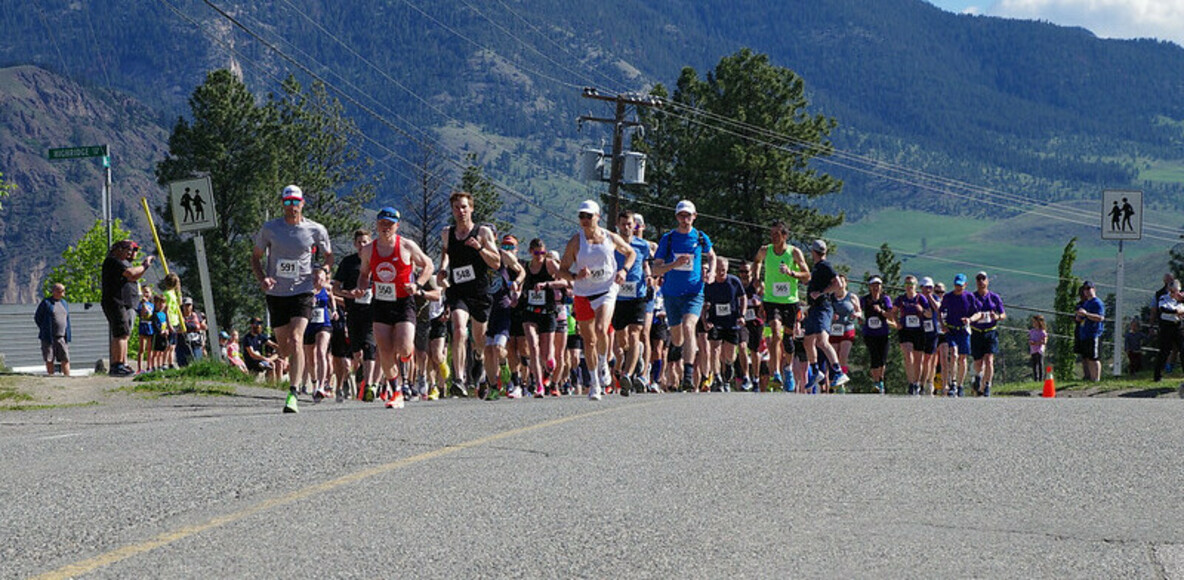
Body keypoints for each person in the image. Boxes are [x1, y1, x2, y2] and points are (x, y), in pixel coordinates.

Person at [251, 184, 333, 413]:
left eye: (295, 202)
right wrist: (263, 279)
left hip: (303, 291)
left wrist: (323, 271)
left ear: (302, 203)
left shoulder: (315, 230)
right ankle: (290, 371)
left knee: (297, 339)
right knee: (285, 347)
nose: (291, 206)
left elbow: (329, 256)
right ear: (282, 204)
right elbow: (255, 258)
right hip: (277, 293)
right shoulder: (270, 229)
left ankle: (293, 392)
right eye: (287, 202)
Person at [356, 207, 435, 408]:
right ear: (377, 225)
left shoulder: (406, 246)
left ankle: (408, 359)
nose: (385, 228)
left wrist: (417, 284)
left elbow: (428, 265)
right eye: (382, 224)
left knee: (404, 347)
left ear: (397, 226)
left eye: (390, 225)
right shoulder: (368, 250)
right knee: (384, 350)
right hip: (381, 303)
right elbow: (364, 274)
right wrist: (360, 287)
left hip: (403, 302)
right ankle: (396, 391)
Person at [558, 200, 636, 400]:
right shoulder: (576, 242)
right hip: (583, 293)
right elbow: (562, 270)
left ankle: (603, 364)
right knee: (589, 341)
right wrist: (576, 276)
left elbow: (631, 253)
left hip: (607, 289)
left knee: (602, 329)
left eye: (588, 216)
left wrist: (624, 270)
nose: (584, 220)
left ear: (597, 217)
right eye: (581, 216)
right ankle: (594, 384)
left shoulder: (610, 237)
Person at [437, 192, 501, 397]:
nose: (460, 211)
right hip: (458, 291)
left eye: (464, 207)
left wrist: (480, 247)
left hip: (479, 292)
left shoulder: (482, 232)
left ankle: (479, 357)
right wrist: (443, 270)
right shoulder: (448, 232)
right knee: (458, 330)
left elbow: (496, 262)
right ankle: (458, 378)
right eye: (456, 207)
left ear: (471, 208)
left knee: (479, 339)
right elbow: (445, 254)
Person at [651, 200, 715, 392]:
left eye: (688, 216)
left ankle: (687, 375)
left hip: (694, 293)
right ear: (676, 217)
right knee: (677, 337)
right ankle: (676, 356)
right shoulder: (668, 239)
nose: (685, 219)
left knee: (689, 327)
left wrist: (711, 273)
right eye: (681, 216)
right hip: (671, 294)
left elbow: (712, 255)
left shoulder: (701, 237)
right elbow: (656, 268)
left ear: (694, 216)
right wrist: (674, 264)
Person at [751, 220, 809, 391]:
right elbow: (757, 260)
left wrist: (792, 272)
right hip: (771, 300)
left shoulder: (794, 252)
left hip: (790, 301)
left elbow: (807, 276)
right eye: (772, 234)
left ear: (785, 235)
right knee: (775, 332)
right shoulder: (765, 250)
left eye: (777, 234)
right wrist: (756, 277)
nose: (774, 237)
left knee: (788, 340)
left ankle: (788, 369)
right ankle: (775, 372)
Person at [332, 229, 380, 398]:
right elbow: (335, 288)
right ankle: (350, 377)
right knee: (356, 352)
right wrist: (348, 294)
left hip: (372, 312)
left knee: (369, 347)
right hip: (352, 311)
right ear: (354, 244)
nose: (362, 245)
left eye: (365, 242)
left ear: (371, 243)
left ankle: (369, 385)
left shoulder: (377, 261)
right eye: (359, 242)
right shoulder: (348, 262)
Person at [612, 210, 653, 394]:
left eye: (630, 224)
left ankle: (627, 375)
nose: (627, 227)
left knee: (636, 334)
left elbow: (645, 263)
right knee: (622, 339)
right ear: (618, 225)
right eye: (623, 224)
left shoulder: (642, 245)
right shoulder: (612, 244)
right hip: (618, 297)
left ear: (634, 225)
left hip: (638, 295)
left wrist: (649, 276)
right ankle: (634, 358)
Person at [101, 239, 155, 377]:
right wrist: (145, 265)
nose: (129, 253)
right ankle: (117, 364)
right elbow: (131, 274)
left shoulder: (120, 263)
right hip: (115, 301)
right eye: (127, 250)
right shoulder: (113, 261)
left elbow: (134, 275)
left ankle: (122, 364)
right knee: (120, 333)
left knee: (124, 333)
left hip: (122, 302)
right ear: (118, 249)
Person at [802, 239, 850, 392]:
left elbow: (839, 284)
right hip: (813, 308)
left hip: (823, 307)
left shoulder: (824, 266)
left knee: (822, 341)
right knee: (808, 341)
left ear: (813, 252)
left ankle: (837, 371)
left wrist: (822, 293)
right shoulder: (817, 267)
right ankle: (816, 371)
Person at [521, 238, 565, 397]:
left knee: (547, 356)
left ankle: (549, 367)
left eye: (542, 252)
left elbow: (564, 281)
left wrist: (546, 284)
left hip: (548, 312)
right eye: (536, 252)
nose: (539, 255)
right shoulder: (526, 266)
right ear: (530, 252)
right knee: (533, 347)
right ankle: (539, 385)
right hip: (530, 311)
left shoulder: (550, 264)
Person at [703, 256, 746, 391]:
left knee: (729, 354)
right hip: (715, 321)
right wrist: (705, 321)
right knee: (715, 349)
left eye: (723, 270)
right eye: (718, 270)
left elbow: (743, 297)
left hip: (731, 321)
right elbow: (703, 304)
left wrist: (742, 315)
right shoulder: (709, 284)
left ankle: (727, 369)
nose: (721, 273)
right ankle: (717, 377)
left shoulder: (734, 281)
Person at [967, 271, 1006, 396]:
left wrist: (997, 316)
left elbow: (1003, 314)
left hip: (990, 332)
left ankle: (988, 385)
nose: (981, 282)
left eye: (983, 279)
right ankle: (978, 378)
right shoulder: (972, 297)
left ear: (987, 281)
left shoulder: (994, 297)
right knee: (978, 362)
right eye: (978, 279)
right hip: (976, 332)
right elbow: (968, 313)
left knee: (989, 359)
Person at [302, 268, 336, 400]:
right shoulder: (306, 289)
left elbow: (332, 299)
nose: (318, 281)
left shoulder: (327, 288)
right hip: (309, 325)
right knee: (310, 358)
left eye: (321, 279)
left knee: (321, 352)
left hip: (324, 324)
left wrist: (333, 311)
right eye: (315, 278)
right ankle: (315, 382)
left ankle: (322, 386)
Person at [940, 273, 976, 397]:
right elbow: (940, 311)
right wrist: (942, 325)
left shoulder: (969, 297)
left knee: (963, 357)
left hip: (964, 330)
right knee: (953, 354)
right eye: (956, 285)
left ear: (965, 285)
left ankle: (960, 385)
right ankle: (953, 382)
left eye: (960, 285)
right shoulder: (948, 297)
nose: (958, 288)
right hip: (951, 330)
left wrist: (970, 319)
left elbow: (976, 313)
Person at [893, 275, 929, 395]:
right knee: (908, 356)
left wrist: (921, 310)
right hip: (905, 330)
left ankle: (917, 383)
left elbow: (929, 314)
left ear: (916, 286)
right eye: (907, 284)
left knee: (918, 359)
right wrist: (897, 323)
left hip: (919, 331)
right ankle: (910, 383)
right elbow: (893, 312)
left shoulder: (921, 298)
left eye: (911, 284)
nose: (909, 287)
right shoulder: (901, 299)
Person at [860, 276, 893, 394]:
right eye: (873, 285)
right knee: (874, 357)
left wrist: (881, 311)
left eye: (878, 285)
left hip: (883, 333)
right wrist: (859, 318)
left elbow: (891, 315)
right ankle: (876, 383)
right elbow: (859, 311)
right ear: (869, 287)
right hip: (869, 333)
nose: (876, 287)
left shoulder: (885, 299)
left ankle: (881, 380)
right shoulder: (864, 299)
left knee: (882, 359)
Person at [34, 283, 72, 376]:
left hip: (62, 337)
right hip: (48, 337)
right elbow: (38, 317)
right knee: (49, 358)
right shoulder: (46, 303)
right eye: (60, 291)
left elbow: (67, 319)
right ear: (54, 291)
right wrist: (45, 328)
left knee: (65, 358)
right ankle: (51, 377)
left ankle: (67, 376)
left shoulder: (64, 303)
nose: (63, 293)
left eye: (63, 291)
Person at [1074, 281, 1106, 382]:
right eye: (1085, 289)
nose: (1087, 291)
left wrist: (1087, 314)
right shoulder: (1086, 303)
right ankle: (1090, 377)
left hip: (1094, 333)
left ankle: (1096, 378)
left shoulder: (1097, 303)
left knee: (1094, 358)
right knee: (1087, 358)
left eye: (1089, 288)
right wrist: (1079, 316)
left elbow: (1100, 318)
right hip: (1085, 333)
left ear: (1094, 289)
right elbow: (1080, 318)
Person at [242, 317, 280, 383]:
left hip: (262, 359)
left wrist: (282, 348)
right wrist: (264, 358)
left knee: (278, 354)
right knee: (272, 364)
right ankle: (273, 384)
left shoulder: (260, 336)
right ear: (252, 325)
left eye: (260, 324)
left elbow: (272, 344)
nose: (259, 326)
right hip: (252, 361)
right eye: (257, 324)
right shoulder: (247, 338)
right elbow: (252, 354)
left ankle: (274, 384)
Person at [178, 297, 207, 367]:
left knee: (197, 362)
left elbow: (204, 327)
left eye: (189, 305)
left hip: (196, 343)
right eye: (186, 305)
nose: (187, 307)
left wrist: (202, 324)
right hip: (183, 343)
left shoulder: (197, 315)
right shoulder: (179, 316)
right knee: (183, 363)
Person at [1029, 315, 1048, 382]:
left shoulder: (1042, 332)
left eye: (1034, 321)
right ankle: (1035, 378)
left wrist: (1036, 343)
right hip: (1033, 350)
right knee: (1034, 365)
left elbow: (1044, 341)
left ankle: (1041, 378)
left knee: (1040, 364)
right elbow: (1030, 339)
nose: (1033, 323)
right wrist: (1031, 342)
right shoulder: (1032, 331)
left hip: (1040, 350)